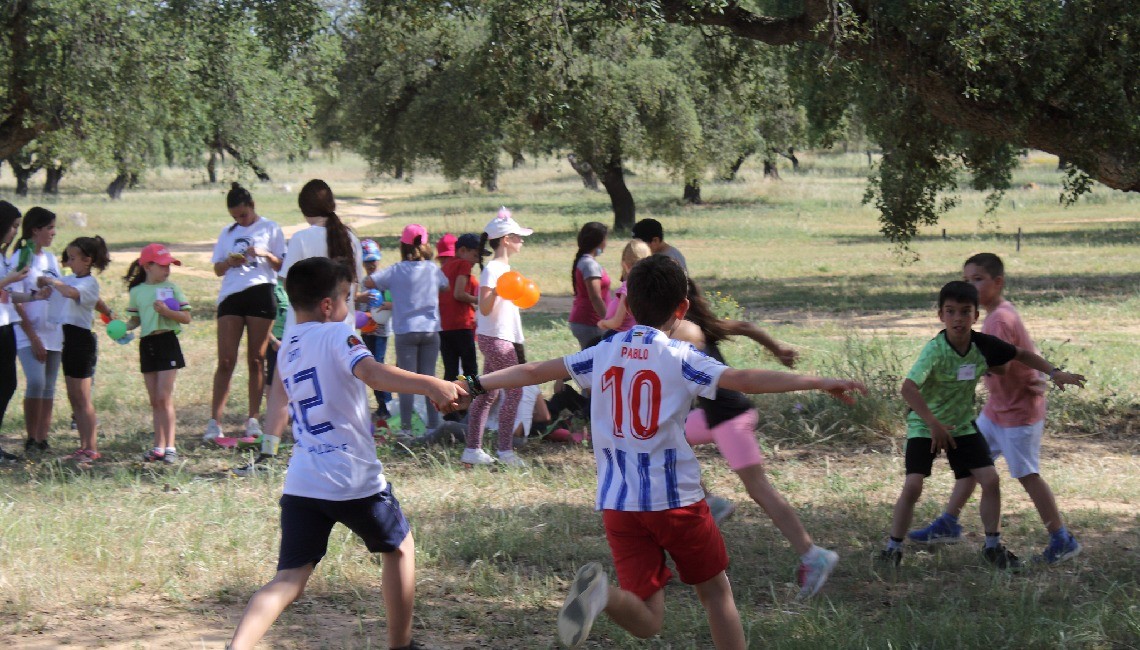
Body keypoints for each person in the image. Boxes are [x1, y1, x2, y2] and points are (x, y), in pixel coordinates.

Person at [456, 254, 864, 648]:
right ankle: (602, 595)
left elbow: (531, 371)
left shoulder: (604, 351)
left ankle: (602, 595)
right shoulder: (680, 357)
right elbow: (744, 379)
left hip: (619, 504)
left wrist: (471, 385)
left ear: (628, 303)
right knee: (716, 595)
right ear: (683, 308)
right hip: (676, 502)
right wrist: (817, 380)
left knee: (649, 622)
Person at [227, 257, 464, 650]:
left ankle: (237, 647)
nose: (349, 307)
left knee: (288, 580)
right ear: (327, 305)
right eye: (346, 299)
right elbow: (372, 374)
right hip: (353, 479)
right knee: (399, 546)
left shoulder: (287, 347)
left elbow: (280, 403)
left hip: (303, 481)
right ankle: (400, 645)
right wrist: (431, 384)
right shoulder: (339, 334)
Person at [881, 281, 1085, 569]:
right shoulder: (935, 350)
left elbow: (1022, 355)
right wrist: (933, 423)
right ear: (941, 315)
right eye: (951, 312)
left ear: (976, 317)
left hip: (962, 427)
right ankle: (892, 549)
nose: (958, 319)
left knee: (990, 479)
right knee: (913, 486)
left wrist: (1054, 372)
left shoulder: (983, 345)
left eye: (965, 312)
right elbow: (908, 389)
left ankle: (992, 547)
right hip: (925, 426)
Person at [668, 278, 836, 599]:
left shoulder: (685, 333)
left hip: (730, 420)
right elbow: (745, 325)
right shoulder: (700, 324)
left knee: (759, 489)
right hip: (715, 417)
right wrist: (778, 350)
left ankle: (813, 555)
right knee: (667, 437)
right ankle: (710, 501)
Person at [237, 179, 366, 475]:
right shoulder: (351, 239)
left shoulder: (302, 239)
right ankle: (345, 453)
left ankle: (268, 456)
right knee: (340, 396)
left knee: (282, 392)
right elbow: (354, 287)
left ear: (304, 208)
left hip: (304, 330)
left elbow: (287, 283)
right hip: (343, 330)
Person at [205, 183, 286, 444]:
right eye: (235, 217)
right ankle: (214, 422)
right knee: (226, 360)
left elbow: (282, 264)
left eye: (243, 215)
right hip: (231, 295)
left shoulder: (270, 227)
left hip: (261, 291)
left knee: (256, 358)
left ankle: (253, 419)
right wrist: (229, 261)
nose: (240, 220)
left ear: (252, 207)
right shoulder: (227, 233)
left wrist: (264, 253)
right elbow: (217, 269)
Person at [461, 208, 533, 467]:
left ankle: (473, 449)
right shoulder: (493, 269)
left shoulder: (504, 268)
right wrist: (502, 290)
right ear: (505, 240)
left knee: (485, 393)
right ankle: (505, 452)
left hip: (498, 337)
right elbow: (485, 307)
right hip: (496, 339)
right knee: (515, 390)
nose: (521, 241)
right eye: (517, 236)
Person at [364, 224, 449, 439]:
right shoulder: (431, 269)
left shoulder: (395, 270)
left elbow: (370, 281)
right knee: (430, 380)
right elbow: (445, 286)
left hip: (406, 332)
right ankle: (433, 426)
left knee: (407, 382)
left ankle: (406, 429)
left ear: (402, 246)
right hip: (430, 331)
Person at [37, 236, 111, 463]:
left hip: (82, 341)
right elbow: (64, 287)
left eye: (72, 258)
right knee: (73, 397)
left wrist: (52, 282)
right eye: (67, 258)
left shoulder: (87, 283)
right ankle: (83, 446)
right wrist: (43, 281)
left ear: (87, 260)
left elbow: (71, 293)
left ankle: (92, 448)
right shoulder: (71, 279)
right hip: (68, 340)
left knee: (83, 397)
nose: (68, 262)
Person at [123, 244, 192, 464]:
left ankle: (170, 446)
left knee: (164, 397)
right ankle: (158, 446)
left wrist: (168, 312)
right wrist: (122, 328)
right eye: (163, 266)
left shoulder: (172, 288)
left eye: (169, 266)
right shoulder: (137, 292)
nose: (167, 270)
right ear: (147, 266)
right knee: (155, 400)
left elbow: (186, 317)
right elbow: (136, 319)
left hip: (167, 342)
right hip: (147, 344)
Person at [11, 207, 62, 454]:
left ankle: (42, 438)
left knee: (49, 386)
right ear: (35, 230)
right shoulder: (21, 258)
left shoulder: (51, 259)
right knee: (36, 382)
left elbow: (61, 290)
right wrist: (32, 337)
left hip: (53, 331)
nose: (54, 232)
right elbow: (13, 299)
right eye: (50, 227)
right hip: (28, 333)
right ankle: (31, 438)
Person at [0, 201, 38, 462]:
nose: (15, 232)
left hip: (5, 324)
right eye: (13, 226)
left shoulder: (2, 257)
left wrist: (35, 296)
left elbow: (7, 294)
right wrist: (10, 279)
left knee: (8, 384)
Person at [438, 233, 480, 386]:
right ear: (462, 250)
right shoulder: (463, 264)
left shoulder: (445, 266)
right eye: (475, 255)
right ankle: (475, 405)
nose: (476, 261)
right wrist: (479, 300)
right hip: (461, 325)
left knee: (451, 370)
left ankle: (450, 407)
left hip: (444, 326)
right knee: (471, 370)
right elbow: (459, 293)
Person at [357, 238, 391, 421]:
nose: (371, 265)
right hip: (366, 330)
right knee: (370, 367)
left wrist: (382, 310)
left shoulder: (384, 280)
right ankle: (381, 405)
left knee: (377, 365)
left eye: (373, 260)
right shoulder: (363, 282)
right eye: (367, 261)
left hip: (380, 332)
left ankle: (386, 405)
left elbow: (391, 302)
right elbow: (359, 306)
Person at [567, 221, 611, 349]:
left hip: (588, 321)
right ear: (600, 241)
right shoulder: (589, 265)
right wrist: (608, 321)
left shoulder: (585, 261)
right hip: (590, 322)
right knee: (593, 364)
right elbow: (595, 297)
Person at [597, 239, 651, 332]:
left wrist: (603, 323)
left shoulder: (629, 286)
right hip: (641, 334)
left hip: (625, 336)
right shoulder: (651, 286)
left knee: (594, 344)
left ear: (625, 264)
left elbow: (617, 322)